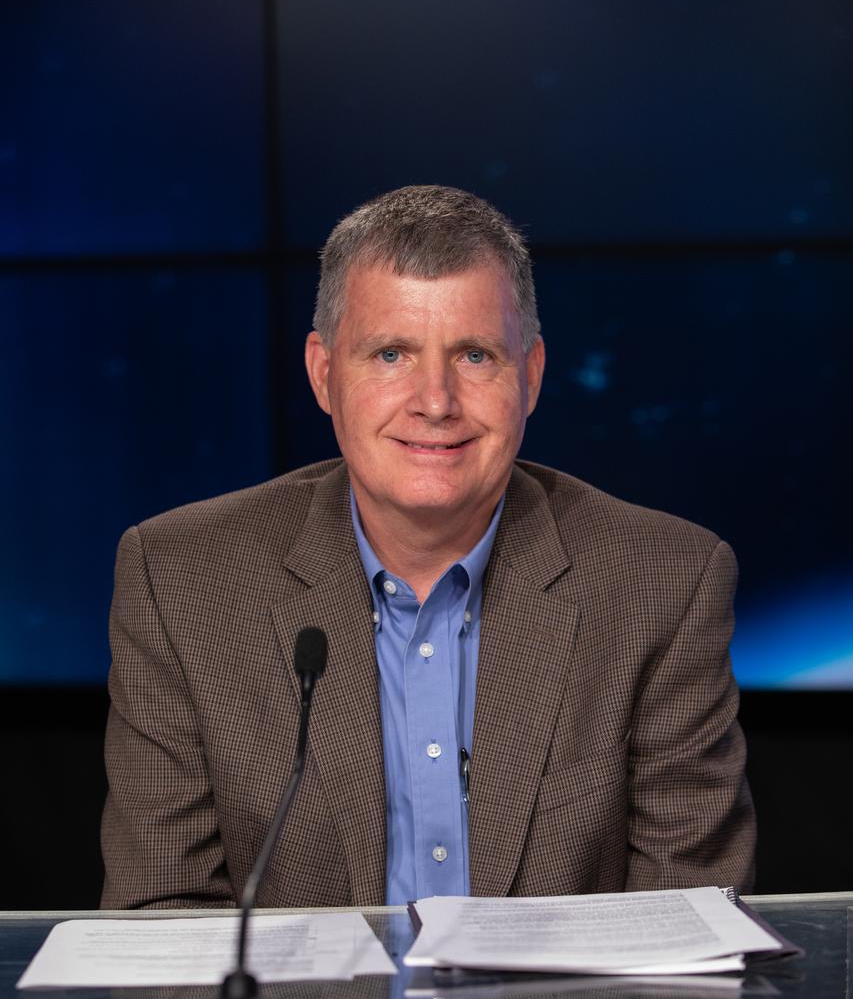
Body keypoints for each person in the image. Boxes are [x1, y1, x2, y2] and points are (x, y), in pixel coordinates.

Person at [101, 185, 755, 910]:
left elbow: (689, 935)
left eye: (474, 356)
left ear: (530, 376)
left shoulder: (661, 582)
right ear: (323, 374)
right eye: (390, 354)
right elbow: (159, 921)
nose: (435, 401)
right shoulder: (182, 580)